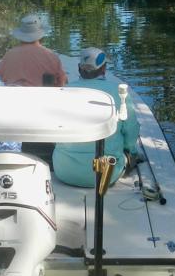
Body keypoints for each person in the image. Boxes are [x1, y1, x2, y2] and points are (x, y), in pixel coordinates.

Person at [52, 47, 139, 187]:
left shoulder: (62, 93)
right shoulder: (119, 94)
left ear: (79, 69)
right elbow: (131, 132)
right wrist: (131, 151)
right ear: (104, 69)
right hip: (106, 175)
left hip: (63, 171)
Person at [0, 14, 68, 87]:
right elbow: (62, 82)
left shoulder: (9, 55)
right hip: (43, 96)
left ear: (20, 35)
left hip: (15, 96)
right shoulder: (51, 56)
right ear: (40, 35)